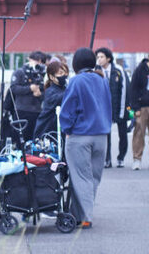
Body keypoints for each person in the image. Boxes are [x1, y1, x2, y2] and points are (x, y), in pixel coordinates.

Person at [60, 48, 111, 228]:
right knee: (93, 178)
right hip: (101, 136)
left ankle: (85, 217)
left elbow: (68, 110)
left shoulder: (76, 81)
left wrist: (66, 128)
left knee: (80, 177)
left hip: (80, 136)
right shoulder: (102, 80)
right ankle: (79, 213)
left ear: (76, 64)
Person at [96, 47, 131, 168]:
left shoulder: (119, 70)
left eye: (101, 57)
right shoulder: (96, 71)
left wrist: (123, 110)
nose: (99, 60)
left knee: (123, 134)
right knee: (106, 134)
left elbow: (125, 90)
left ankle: (121, 157)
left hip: (119, 106)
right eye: (98, 57)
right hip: (104, 109)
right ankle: (107, 159)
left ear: (108, 58)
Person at [8, 51, 46, 142]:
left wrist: (40, 94)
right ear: (29, 59)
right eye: (36, 60)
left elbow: (49, 93)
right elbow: (13, 88)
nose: (38, 63)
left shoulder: (43, 75)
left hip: (36, 111)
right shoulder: (20, 72)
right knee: (19, 139)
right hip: (21, 111)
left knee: (34, 139)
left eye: (41, 62)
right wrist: (29, 88)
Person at [34, 60, 70, 139]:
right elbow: (59, 99)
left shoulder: (65, 88)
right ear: (51, 77)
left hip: (62, 133)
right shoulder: (50, 91)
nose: (64, 75)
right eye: (60, 73)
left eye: (66, 73)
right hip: (47, 132)